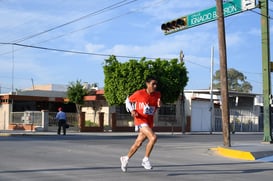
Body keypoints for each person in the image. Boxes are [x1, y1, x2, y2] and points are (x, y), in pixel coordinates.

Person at [120, 76, 161, 172]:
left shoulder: (157, 94)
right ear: (147, 84)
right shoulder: (139, 93)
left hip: (149, 121)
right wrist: (132, 110)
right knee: (153, 137)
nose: (155, 86)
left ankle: (125, 158)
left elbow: (156, 107)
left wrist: (159, 105)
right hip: (140, 120)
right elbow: (128, 101)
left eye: (156, 84)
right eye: (153, 84)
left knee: (138, 143)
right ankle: (145, 159)